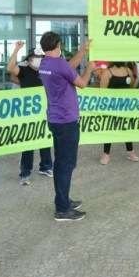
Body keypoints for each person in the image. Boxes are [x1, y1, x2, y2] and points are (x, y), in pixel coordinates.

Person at [39, 32, 94, 222]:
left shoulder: (45, 64)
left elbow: (67, 68)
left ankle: (64, 200)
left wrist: (82, 50)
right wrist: (89, 68)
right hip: (66, 121)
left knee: (62, 163)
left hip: (56, 119)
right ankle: (62, 209)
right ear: (58, 45)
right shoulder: (59, 64)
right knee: (65, 165)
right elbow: (83, 83)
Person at [6, 41, 53, 186]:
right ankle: (25, 173)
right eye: (37, 56)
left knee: (45, 140)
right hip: (28, 114)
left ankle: (46, 167)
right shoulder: (23, 70)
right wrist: (16, 49)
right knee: (28, 143)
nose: (39, 59)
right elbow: (10, 68)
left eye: (41, 57)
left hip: (45, 112)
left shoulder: (45, 71)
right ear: (30, 58)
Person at [94, 62, 139, 163]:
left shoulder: (128, 71)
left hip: (126, 106)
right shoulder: (108, 72)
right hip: (112, 107)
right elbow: (102, 92)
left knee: (127, 129)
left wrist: (138, 78)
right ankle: (106, 154)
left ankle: (130, 152)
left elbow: (132, 87)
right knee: (110, 129)